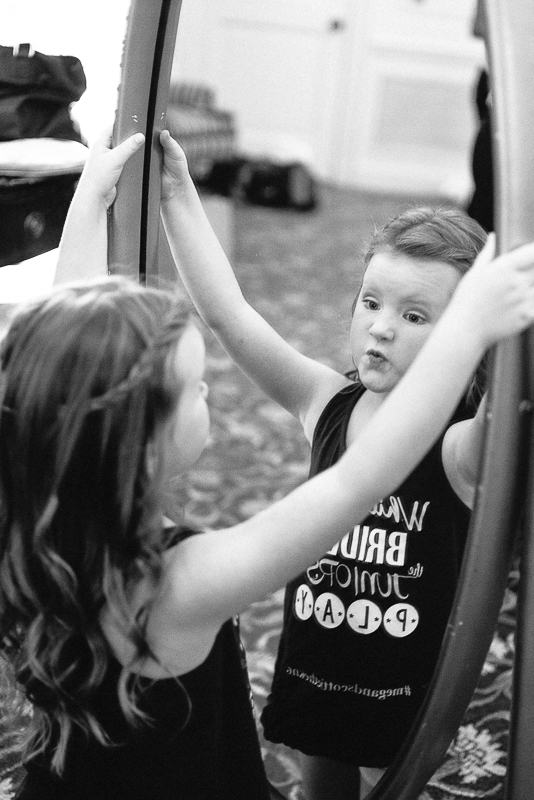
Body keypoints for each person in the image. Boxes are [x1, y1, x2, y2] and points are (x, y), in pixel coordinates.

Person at [1, 131, 534, 800]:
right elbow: (360, 475)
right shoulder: (186, 579)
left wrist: (133, 200)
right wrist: (472, 325)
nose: (380, 327)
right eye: (195, 388)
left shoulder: (47, 528)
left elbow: (71, 363)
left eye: (416, 315)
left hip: (390, 689)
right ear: (141, 438)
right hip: (288, 695)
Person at [157, 129, 530, 800]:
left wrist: (499, 320)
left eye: (416, 315)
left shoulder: (459, 446)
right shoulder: (326, 402)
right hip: (318, 668)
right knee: (318, 787)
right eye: (372, 301)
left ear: (463, 337)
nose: (382, 326)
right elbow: (228, 312)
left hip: (406, 694)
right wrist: (179, 192)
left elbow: (512, 391)